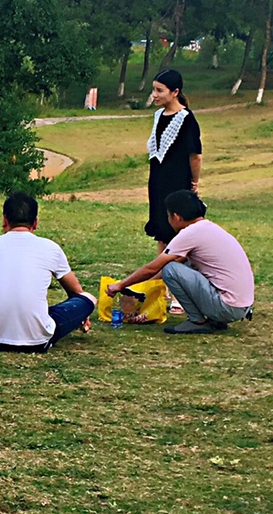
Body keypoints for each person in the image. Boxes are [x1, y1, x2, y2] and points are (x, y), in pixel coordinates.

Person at [0, 191, 96, 352]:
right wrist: (80, 314)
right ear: (35, 223)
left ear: (5, 220)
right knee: (88, 298)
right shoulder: (50, 248)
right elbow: (75, 291)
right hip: (37, 342)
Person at [109, 189, 254, 335]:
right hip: (240, 306)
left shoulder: (189, 233)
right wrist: (141, 288)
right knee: (181, 265)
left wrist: (120, 285)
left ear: (176, 217)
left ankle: (197, 321)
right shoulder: (209, 228)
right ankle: (215, 319)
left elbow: (152, 268)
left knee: (170, 269)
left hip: (227, 307)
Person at [143, 67, 201, 250]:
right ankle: (161, 269)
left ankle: (175, 269)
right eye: (154, 90)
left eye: (160, 91)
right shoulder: (158, 116)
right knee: (161, 225)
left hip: (177, 181)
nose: (155, 95)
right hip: (158, 180)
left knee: (178, 227)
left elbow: (195, 155)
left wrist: (195, 182)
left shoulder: (186, 119)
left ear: (175, 92)